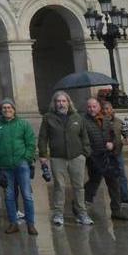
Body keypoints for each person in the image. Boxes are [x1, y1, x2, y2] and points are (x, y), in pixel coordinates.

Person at [37, 90, 91, 227]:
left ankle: (82, 213)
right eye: (58, 101)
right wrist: (43, 155)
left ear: (68, 102)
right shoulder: (48, 117)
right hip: (57, 157)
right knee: (59, 186)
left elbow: (84, 136)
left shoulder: (77, 117)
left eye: (63, 101)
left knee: (79, 186)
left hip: (76, 156)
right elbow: (43, 138)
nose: (61, 104)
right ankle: (58, 213)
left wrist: (85, 152)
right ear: (54, 104)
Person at [0, 99, 37, 235]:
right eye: (4, 108)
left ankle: (31, 223)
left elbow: (31, 143)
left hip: (21, 164)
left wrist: (26, 158)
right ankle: (13, 223)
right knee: (9, 196)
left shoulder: (23, 124)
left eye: (9, 107)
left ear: (14, 109)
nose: (7, 110)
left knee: (27, 195)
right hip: (4, 166)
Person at [83, 97, 128, 222]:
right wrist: (89, 153)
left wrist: (113, 144)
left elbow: (114, 136)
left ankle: (116, 210)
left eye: (94, 106)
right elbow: (83, 141)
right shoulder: (83, 122)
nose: (92, 109)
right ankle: (81, 205)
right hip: (94, 157)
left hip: (108, 155)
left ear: (98, 107)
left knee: (114, 183)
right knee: (94, 182)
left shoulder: (107, 120)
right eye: (89, 107)